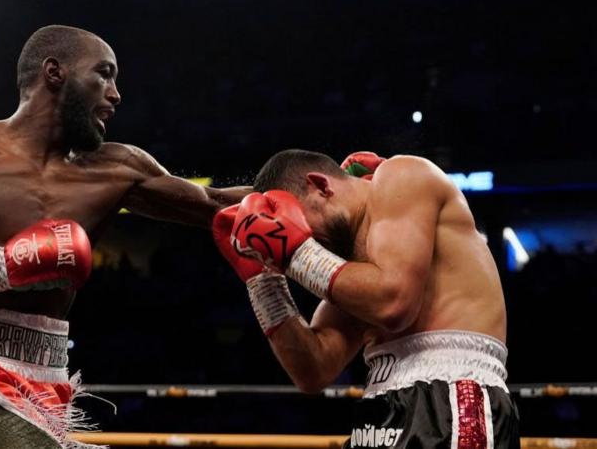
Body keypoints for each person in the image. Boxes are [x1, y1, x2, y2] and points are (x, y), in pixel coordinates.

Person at [0, 25, 247, 449]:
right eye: (104, 73)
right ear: (54, 72)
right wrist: (5, 267)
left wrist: (317, 190)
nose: (115, 94)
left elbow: (218, 205)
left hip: (47, 375)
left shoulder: (118, 168)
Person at [213, 149, 520, 448]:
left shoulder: (404, 174)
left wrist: (292, 249)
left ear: (321, 186)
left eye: (304, 229)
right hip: (381, 408)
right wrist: (264, 284)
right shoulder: (359, 269)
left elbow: (394, 304)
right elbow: (314, 369)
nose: (310, 242)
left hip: (451, 396)